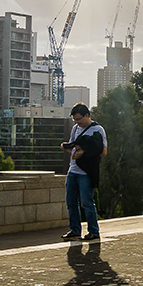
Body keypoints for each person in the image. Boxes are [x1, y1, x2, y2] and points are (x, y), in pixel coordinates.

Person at [60, 103, 107, 241]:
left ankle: (93, 231)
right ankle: (75, 230)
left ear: (87, 115)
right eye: (75, 120)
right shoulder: (75, 128)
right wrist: (67, 148)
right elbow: (73, 147)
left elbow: (103, 152)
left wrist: (85, 153)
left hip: (86, 172)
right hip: (73, 170)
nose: (77, 122)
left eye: (79, 119)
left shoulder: (97, 130)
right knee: (71, 201)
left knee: (86, 202)